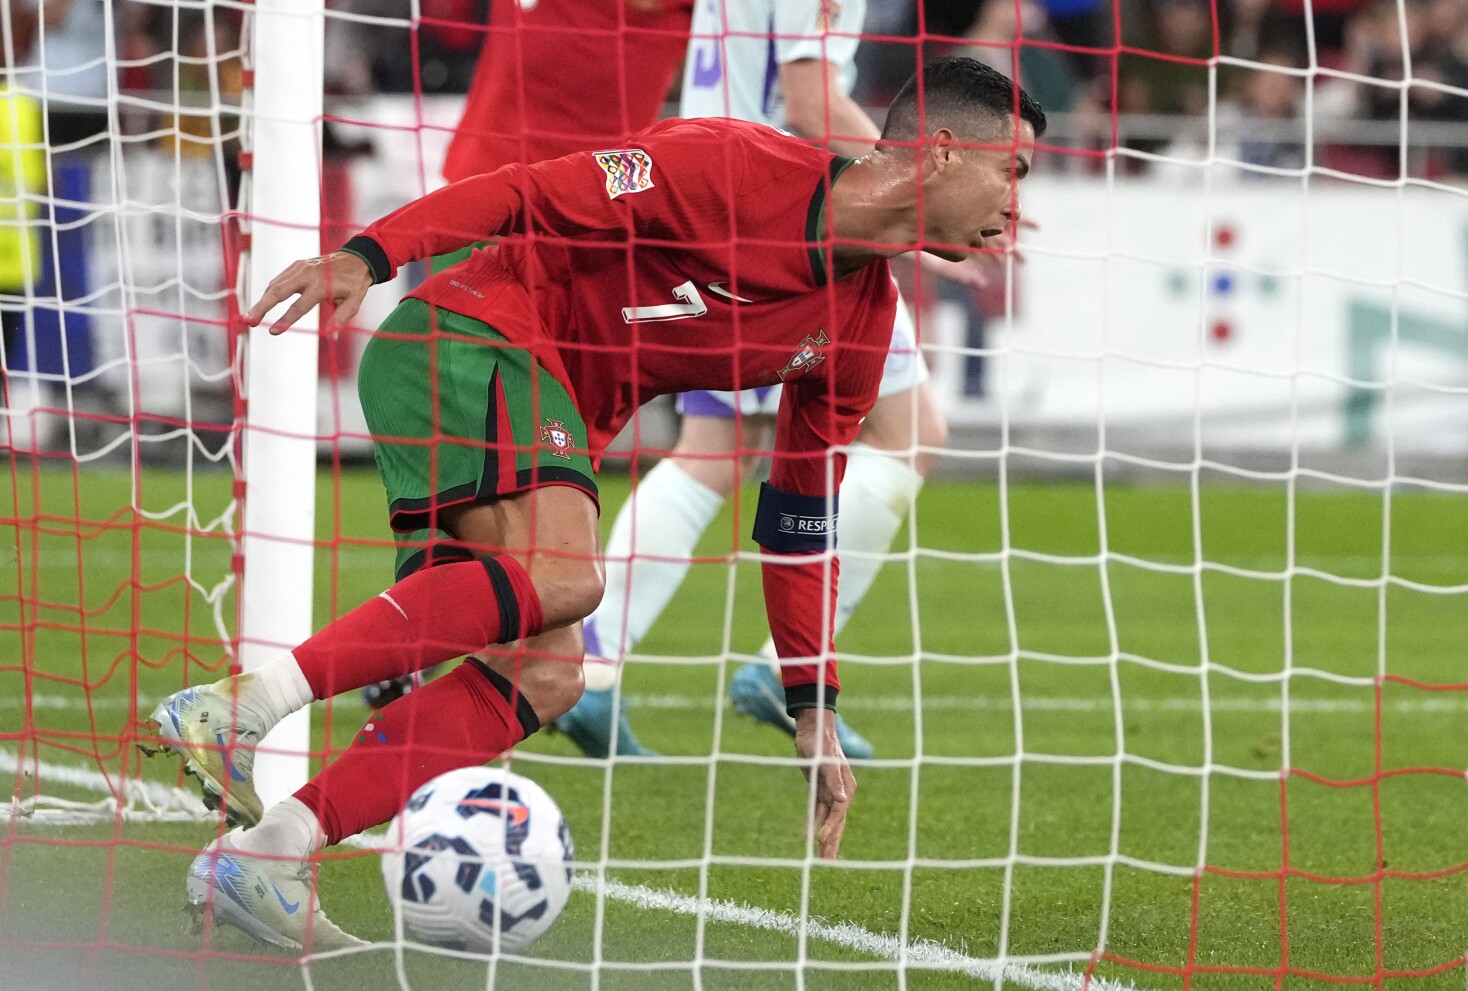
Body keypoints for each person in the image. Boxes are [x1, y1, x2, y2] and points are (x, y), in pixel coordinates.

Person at [141, 57, 1042, 950]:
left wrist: (812, 702)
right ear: (944, 152)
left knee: (547, 672)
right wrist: (368, 257)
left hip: (537, 406)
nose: (1018, 205)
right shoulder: (729, 165)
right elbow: (526, 193)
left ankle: (271, 849)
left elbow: (802, 518)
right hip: (467, 337)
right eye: (1016, 170)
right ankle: (245, 705)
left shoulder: (862, 323)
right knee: (567, 579)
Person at [559, 0, 954, 762]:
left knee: (716, 446)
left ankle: (594, 667)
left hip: (720, 208)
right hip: (796, 224)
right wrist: (929, 192)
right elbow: (811, 104)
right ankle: (784, 667)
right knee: (908, 435)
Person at [356, 0, 695, 709]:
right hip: (536, 225)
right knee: (510, 476)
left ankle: (424, 635)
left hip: (554, 215)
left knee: (505, 470)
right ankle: (425, 640)